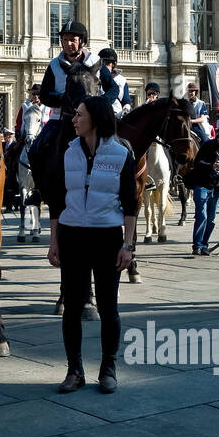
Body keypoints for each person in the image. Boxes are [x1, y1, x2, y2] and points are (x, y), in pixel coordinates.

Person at [47, 95, 138, 394]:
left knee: (108, 306)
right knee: (72, 307)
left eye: (79, 115)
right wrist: (54, 242)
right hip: (72, 235)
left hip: (107, 237)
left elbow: (130, 203)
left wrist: (129, 246)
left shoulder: (122, 153)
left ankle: (108, 368)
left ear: (96, 119)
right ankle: (74, 371)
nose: (73, 119)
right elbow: (57, 200)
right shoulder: (68, 151)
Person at [187, 118, 219, 255]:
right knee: (201, 215)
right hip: (201, 184)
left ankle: (204, 244)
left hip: (216, 187)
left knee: (211, 218)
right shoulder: (208, 144)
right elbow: (197, 162)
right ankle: (197, 245)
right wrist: (211, 166)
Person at [40, 22, 100, 123]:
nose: (68, 44)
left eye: (73, 40)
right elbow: (44, 95)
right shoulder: (54, 64)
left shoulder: (95, 61)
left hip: (92, 116)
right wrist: (63, 99)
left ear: (82, 41)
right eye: (65, 40)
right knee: (42, 139)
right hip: (60, 117)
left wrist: (101, 101)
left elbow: (113, 88)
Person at [96, 48, 132, 117]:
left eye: (107, 63)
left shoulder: (121, 80)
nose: (104, 66)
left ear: (113, 64)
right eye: (102, 64)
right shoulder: (95, 78)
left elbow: (126, 102)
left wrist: (125, 111)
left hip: (116, 116)